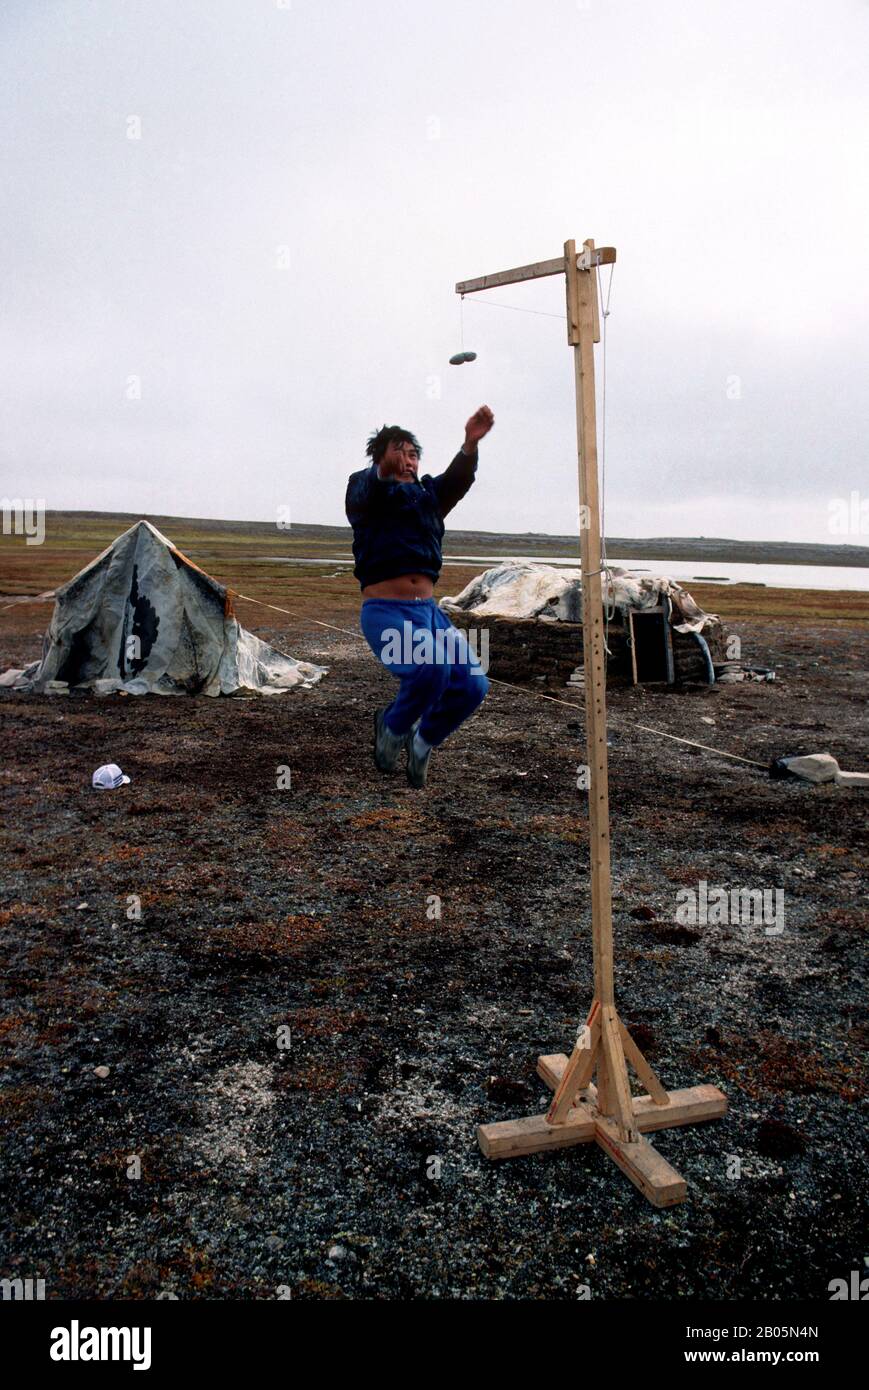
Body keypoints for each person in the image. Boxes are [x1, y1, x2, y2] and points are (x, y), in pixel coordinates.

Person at [345, 406, 495, 788]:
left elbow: (458, 481)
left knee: (473, 683)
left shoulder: (429, 496)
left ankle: (423, 739)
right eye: (399, 451)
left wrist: (470, 444)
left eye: (413, 454)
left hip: (429, 612)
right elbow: (369, 486)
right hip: (385, 612)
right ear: (379, 458)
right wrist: (382, 469)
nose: (408, 460)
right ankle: (391, 728)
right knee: (432, 669)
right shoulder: (365, 493)